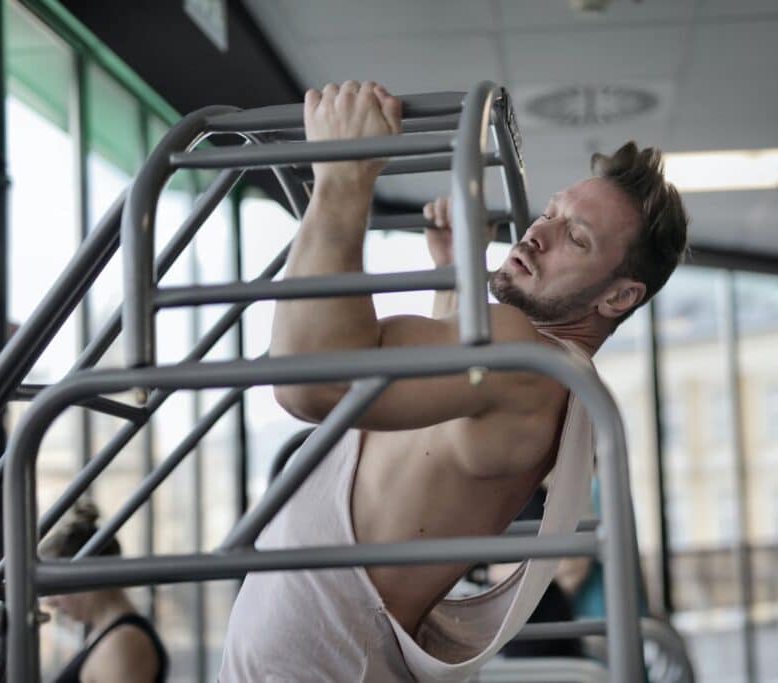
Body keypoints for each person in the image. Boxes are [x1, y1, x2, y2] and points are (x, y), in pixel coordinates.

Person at [219, 80, 688, 682]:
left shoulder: (528, 361)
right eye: (550, 211)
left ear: (620, 296)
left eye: (575, 238)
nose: (536, 234)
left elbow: (310, 382)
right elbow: (443, 417)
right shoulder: (537, 370)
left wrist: (344, 176)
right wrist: (452, 272)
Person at [40, 500, 168, 683]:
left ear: (87, 576)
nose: (49, 602)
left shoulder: (122, 644)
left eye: (55, 587)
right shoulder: (104, 635)